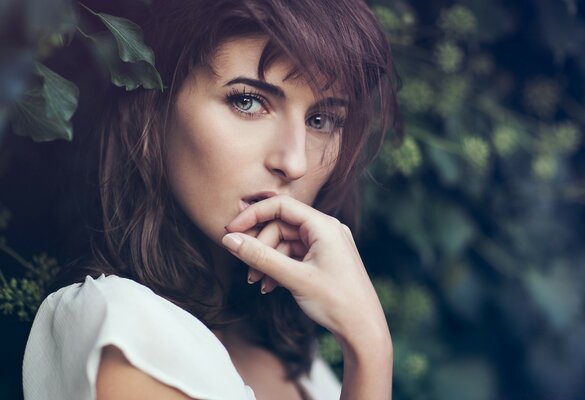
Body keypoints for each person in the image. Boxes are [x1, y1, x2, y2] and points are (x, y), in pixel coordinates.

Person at [22, 0, 396, 399]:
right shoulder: (122, 327)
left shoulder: (301, 364)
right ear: (155, 106)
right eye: (248, 101)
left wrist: (367, 343)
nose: (294, 162)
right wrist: (370, 351)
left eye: (321, 120)